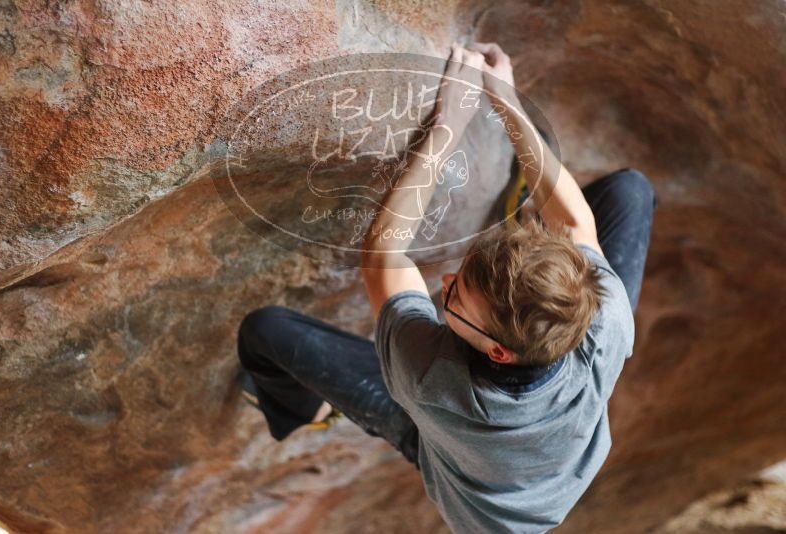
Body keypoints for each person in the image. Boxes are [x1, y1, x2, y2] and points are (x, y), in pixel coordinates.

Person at [236, 42, 657, 533]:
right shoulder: (606, 323)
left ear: (498, 351)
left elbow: (384, 254)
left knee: (265, 332)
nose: (445, 282)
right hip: (554, 460)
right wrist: (504, 99)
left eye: (455, 297)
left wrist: (445, 128)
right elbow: (575, 224)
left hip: (454, 468)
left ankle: (305, 409)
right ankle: (521, 212)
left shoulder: (430, 378)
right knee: (630, 191)